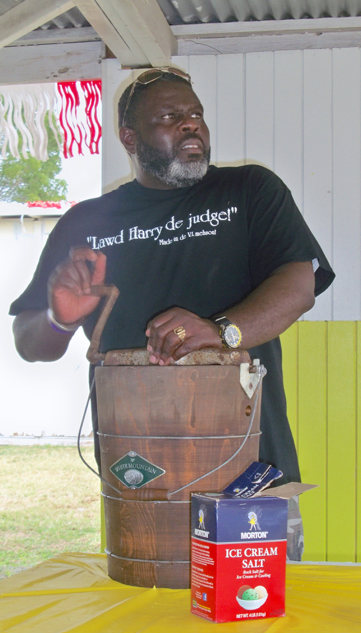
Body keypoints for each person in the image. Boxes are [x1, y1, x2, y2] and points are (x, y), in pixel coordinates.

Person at [10, 68, 334, 561]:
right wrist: (59, 317)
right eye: (170, 117)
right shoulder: (86, 223)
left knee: (256, 624)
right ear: (129, 137)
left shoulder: (249, 192)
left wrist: (221, 332)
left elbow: (299, 286)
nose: (191, 126)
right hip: (141, 482)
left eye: (196, 115)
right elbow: (29, 341)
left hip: (251, 475)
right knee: (148, 616)